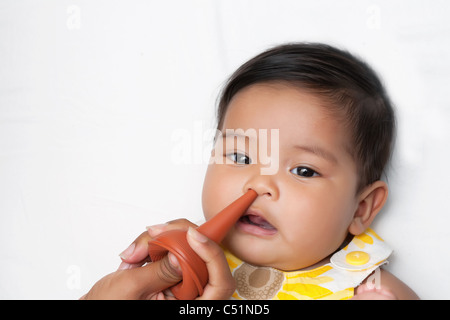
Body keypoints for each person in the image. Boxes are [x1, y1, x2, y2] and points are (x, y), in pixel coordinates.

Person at [83, 43, 419, 300]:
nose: (258, 183)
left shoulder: (367, 285)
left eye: (303, 170)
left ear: (361, 208)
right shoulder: (183, 265)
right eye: (241, 158)